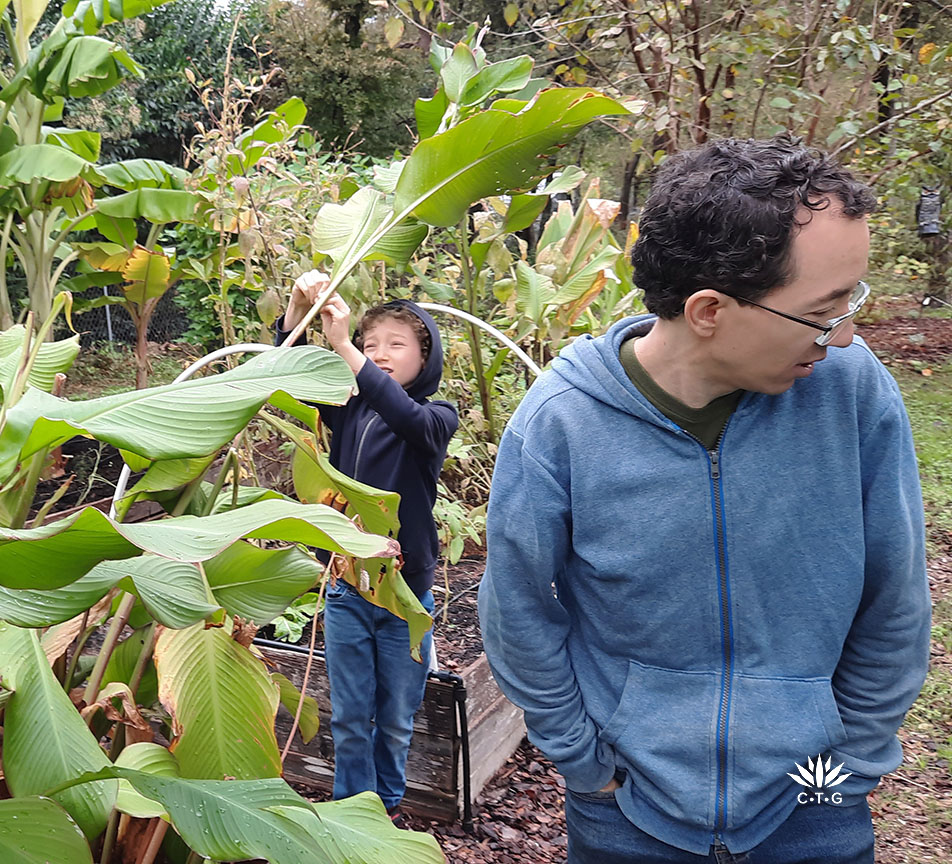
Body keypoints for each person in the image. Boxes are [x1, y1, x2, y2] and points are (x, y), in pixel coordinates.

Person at [478, 136, 931, 863]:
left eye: (852, 300)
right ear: (710, 310)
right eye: (824, 311)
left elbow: (896, 596)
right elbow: (517, 611)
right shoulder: (562, 420)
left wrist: (841, 774)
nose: (845, 335)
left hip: (814, 802)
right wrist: (587, 765)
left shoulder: (852, 393)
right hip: (627, 811)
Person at [275, 271, 458, 821]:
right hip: (347, 586)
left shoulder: (435, 417)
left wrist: (346, 345)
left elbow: (404, 416)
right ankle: (351, 813)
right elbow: (283, 374)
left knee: (398, 718)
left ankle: (389, 812)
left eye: (395, 344)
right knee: (351, 717)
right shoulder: (349, 409)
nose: (379, 354)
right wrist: (296, 308)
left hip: (405, 596)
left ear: (426, 359)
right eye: (370, 343)